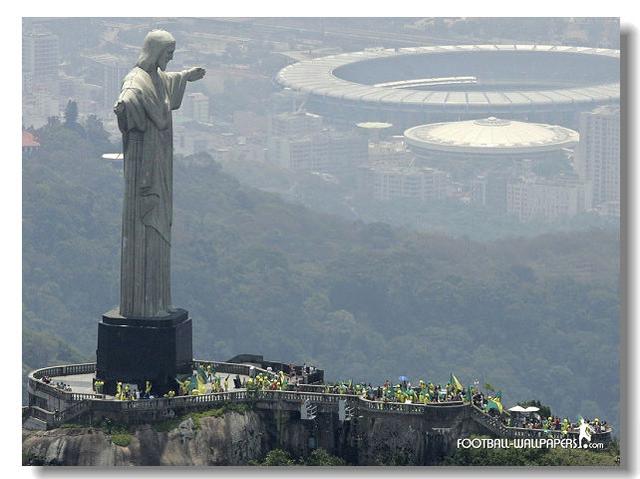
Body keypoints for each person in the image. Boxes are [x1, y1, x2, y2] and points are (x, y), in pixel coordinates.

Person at [114, 29, 205, 317]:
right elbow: (128, 96)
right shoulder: (136, 79)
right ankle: (141, 305)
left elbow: (166, 81)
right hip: (145, 163)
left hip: (160, 159)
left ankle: (158, 302)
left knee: (160, 227)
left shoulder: (155, 76)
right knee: (144, 227)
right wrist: (124, 105)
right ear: (154, 52)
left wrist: (186, 75)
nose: (171, 58)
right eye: (168, 53)